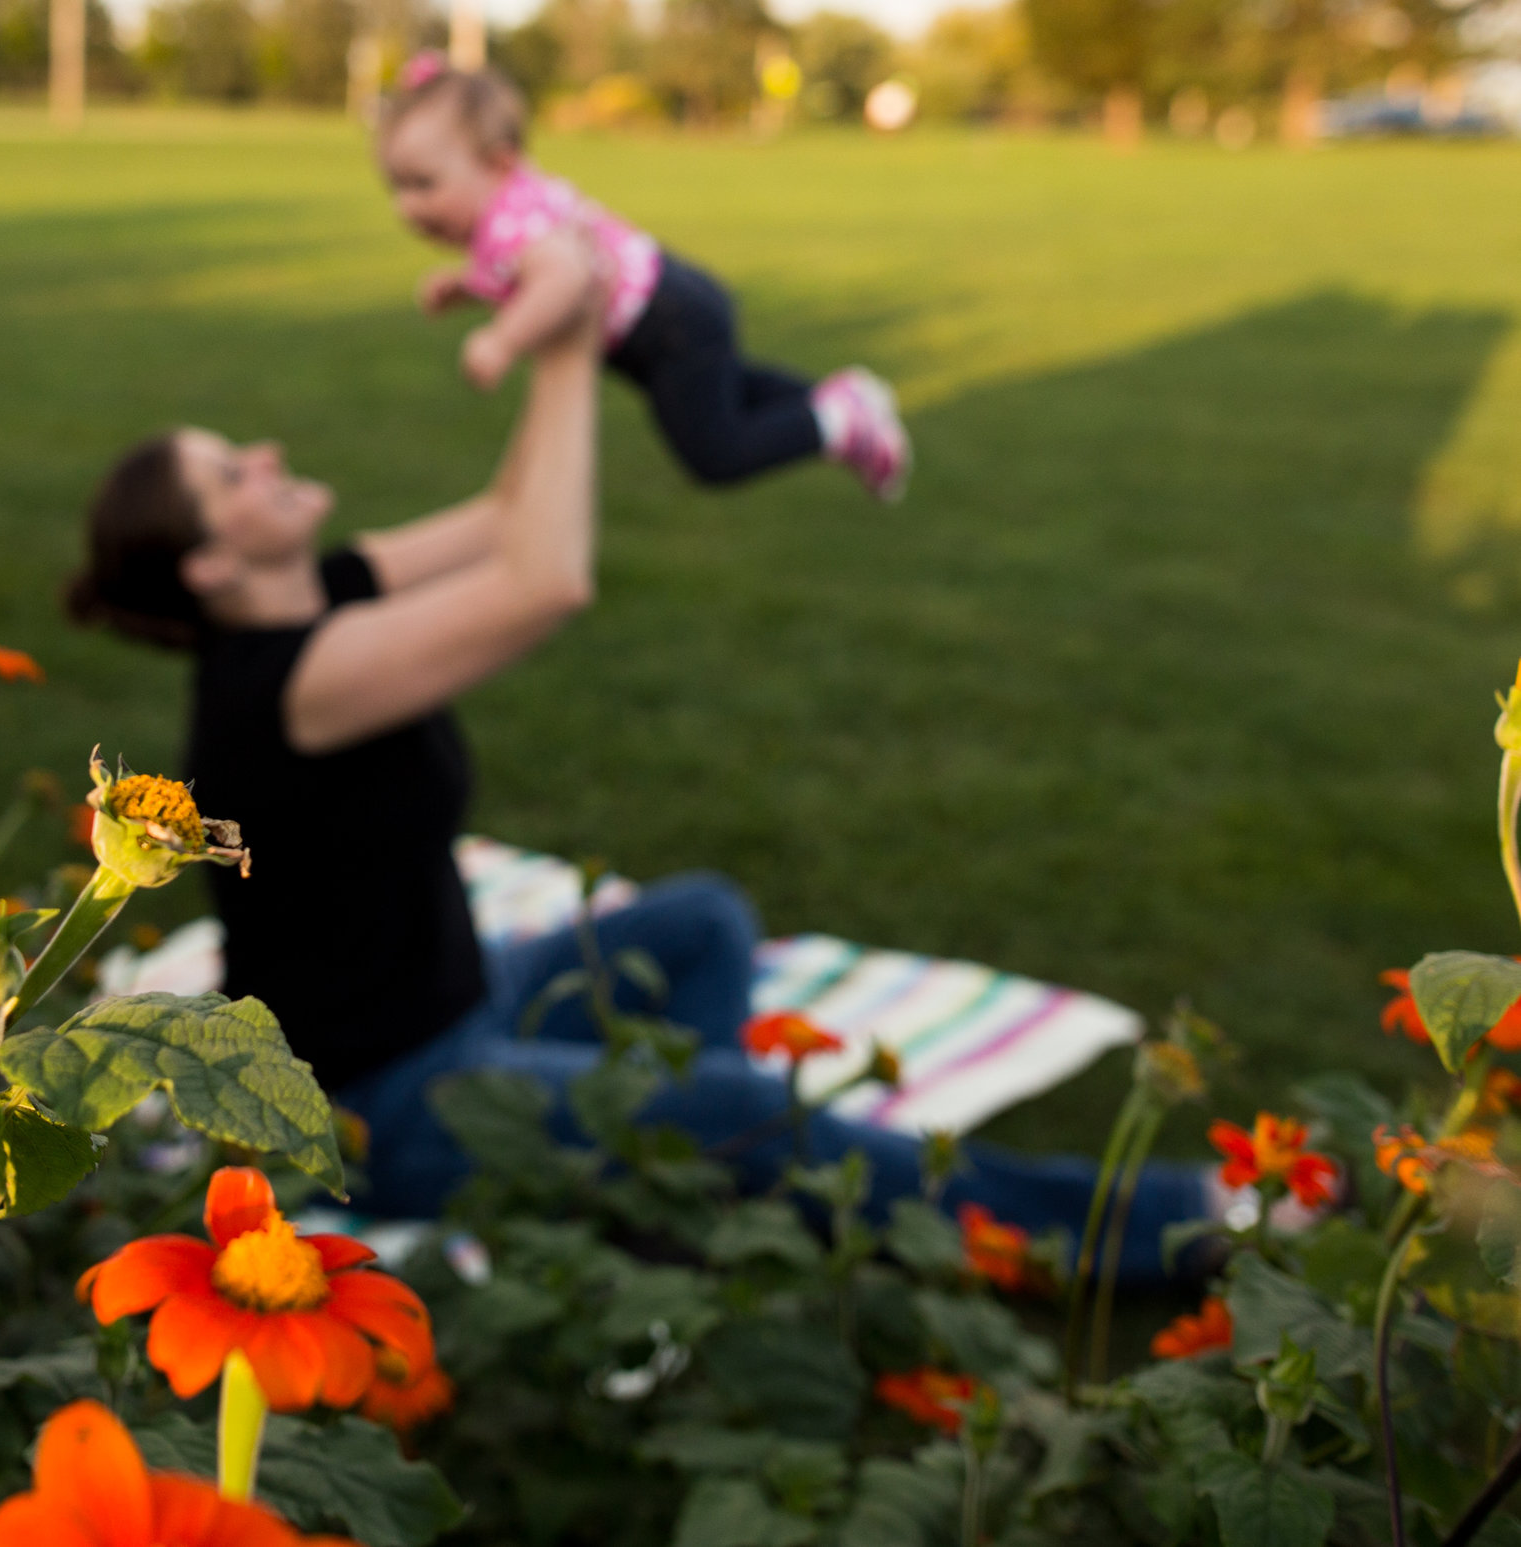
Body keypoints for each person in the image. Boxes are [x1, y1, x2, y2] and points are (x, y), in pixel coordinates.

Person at [63, 306, 1206, 1279]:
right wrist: (565, 347)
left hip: (457, 995)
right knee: (736, 1107)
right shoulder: (291, 686)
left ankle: (678, 1178)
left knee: (702, 918)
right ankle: (1162, 1223)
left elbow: (516, 515)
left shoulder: (321, 593)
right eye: (230, 473)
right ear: (210, 567)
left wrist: (577, 324)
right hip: (382, 1101)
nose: (263, 451)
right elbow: (548, 578)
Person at [376, 49, 912, 502]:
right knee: (728, 389)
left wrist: (502, 339)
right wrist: (470, 286)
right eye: (395, 187)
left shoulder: (510, 220)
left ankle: (835, 421)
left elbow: (563, 275)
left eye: (423, 184)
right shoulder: (514, 204)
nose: (408, 208)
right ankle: (843, 403)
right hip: (676, 306)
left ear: (496, 164)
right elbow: (532, 271)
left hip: (665, 322)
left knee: (715, 455)